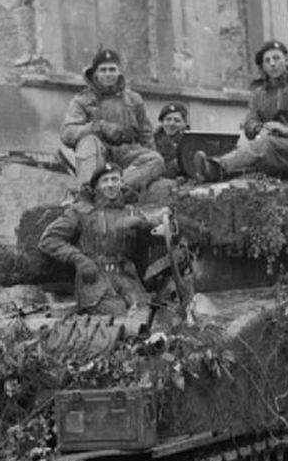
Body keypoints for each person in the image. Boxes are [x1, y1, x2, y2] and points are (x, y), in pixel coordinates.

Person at [194, 40, 288, 182]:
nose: (272, 64)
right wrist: (259, 128)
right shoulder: (260, 94)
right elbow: (250, 122)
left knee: (265, 145)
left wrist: (287, 129)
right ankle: (209, 170)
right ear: (263, 67)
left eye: (276, 58)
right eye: (267, 61)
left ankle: (216, 168)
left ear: (286, 60)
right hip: (269, 145)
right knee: (251, 152)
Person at [39, 162, 154, 317]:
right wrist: (79, 259)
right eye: (105, 181)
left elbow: (149, 245)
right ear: (96, 187)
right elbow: (49, 239)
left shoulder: (133, 212)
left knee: (146, 315)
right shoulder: (81, 211)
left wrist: (145, 227)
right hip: (95, 282)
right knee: (118, 315)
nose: (111, 185)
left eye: (115, 180)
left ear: (121, 183)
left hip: (127, 278)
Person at [60, 47, 165, 196]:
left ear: (119, 72)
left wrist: (152, 169)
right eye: (103, 70)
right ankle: (86, 193)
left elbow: (146, 134)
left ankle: (115, 189)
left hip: (127, 156)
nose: (108, 74)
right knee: (88, 142)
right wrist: (99, 127)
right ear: (95, 73)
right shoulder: (82, 100)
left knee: (156, 160)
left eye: (112, 69)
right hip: (98, 155)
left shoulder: (133, 100)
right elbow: (67, 134)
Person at [154, 102, 189, 179]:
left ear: (184, 123)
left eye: (177, 121)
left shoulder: (190, 141)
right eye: (168, 119)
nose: (171, 124)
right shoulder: (151, 140)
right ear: (162, 122)